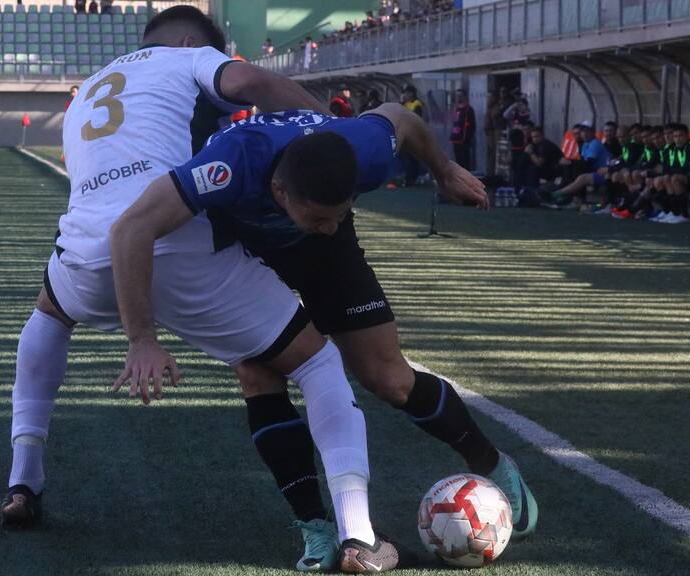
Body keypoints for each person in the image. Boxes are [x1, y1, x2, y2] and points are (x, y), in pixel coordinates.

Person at [0, 6, 403, 572]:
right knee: (317, 364)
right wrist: (323, 131)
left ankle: (23, 479)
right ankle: (358, 537)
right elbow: (250, 83)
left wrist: (138, 333)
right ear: (192, 41)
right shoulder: (190, 56)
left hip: (86, 254)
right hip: (172, 245)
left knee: (47, 314)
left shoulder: (91, 84)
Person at [112, 103, 538, 569]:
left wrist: (443, 168)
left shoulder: (364, 151)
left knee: (388, 378)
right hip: (244, 253)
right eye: (319, 216)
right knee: (257, 371)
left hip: (323, 256)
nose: (330, 223)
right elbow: (133, 226)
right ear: (278, 190)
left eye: (341, 212)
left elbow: (402, 116)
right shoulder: (231, 163)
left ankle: (491, 462)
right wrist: (141, 339)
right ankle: (318, 528)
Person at [547, 121, 611, 208]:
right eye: (583, 131)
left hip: (601, 171)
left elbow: (589, 163)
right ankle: (565, 196)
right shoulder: (585, 144)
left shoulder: (595, 143)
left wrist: (570, 161)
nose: (584, 134)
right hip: (593, 169)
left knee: (576, 168)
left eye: (587, 131)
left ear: (593, 132)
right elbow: (583, 161)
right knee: (568, 167)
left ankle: (572, 198)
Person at [400, 84, 424, 185]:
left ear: (412, 93)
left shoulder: (416, 103)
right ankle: (409, 178)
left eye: (407, 93)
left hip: (414, 134)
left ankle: (411, 179)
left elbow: (415, 118)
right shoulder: (406, 104)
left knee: (412, 158)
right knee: (408, 158)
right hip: (407, 134)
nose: (405, 95)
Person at [450, 88, 475, 170]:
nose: (458, 98)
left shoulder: (469, 109)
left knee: (465, 160)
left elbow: (473, 125)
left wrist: (471, 137)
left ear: (464, 97)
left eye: (460, 96)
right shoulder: (455, 108)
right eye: (457, 96)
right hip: (455, 138)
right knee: (458, 160)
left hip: (464, 139)